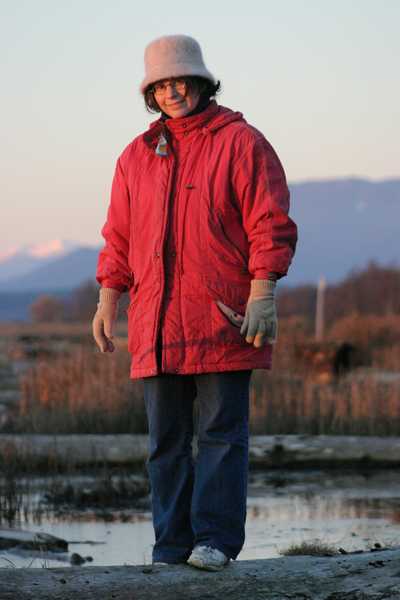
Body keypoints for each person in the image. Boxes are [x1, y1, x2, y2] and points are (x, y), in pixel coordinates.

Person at [92, 34, 297, 571]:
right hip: (156, 324)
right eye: (161, 85)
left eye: (182, 81)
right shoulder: (135, 156)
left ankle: (215, 543)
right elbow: (119, 236)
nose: (173, 92)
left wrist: (264, 289)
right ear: (151, 93)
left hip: (223, 317)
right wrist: (108, 297)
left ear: (203, 83)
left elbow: (269, 220)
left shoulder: (241, 142)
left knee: (221, 436)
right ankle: (170, 548)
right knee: (165, 443)